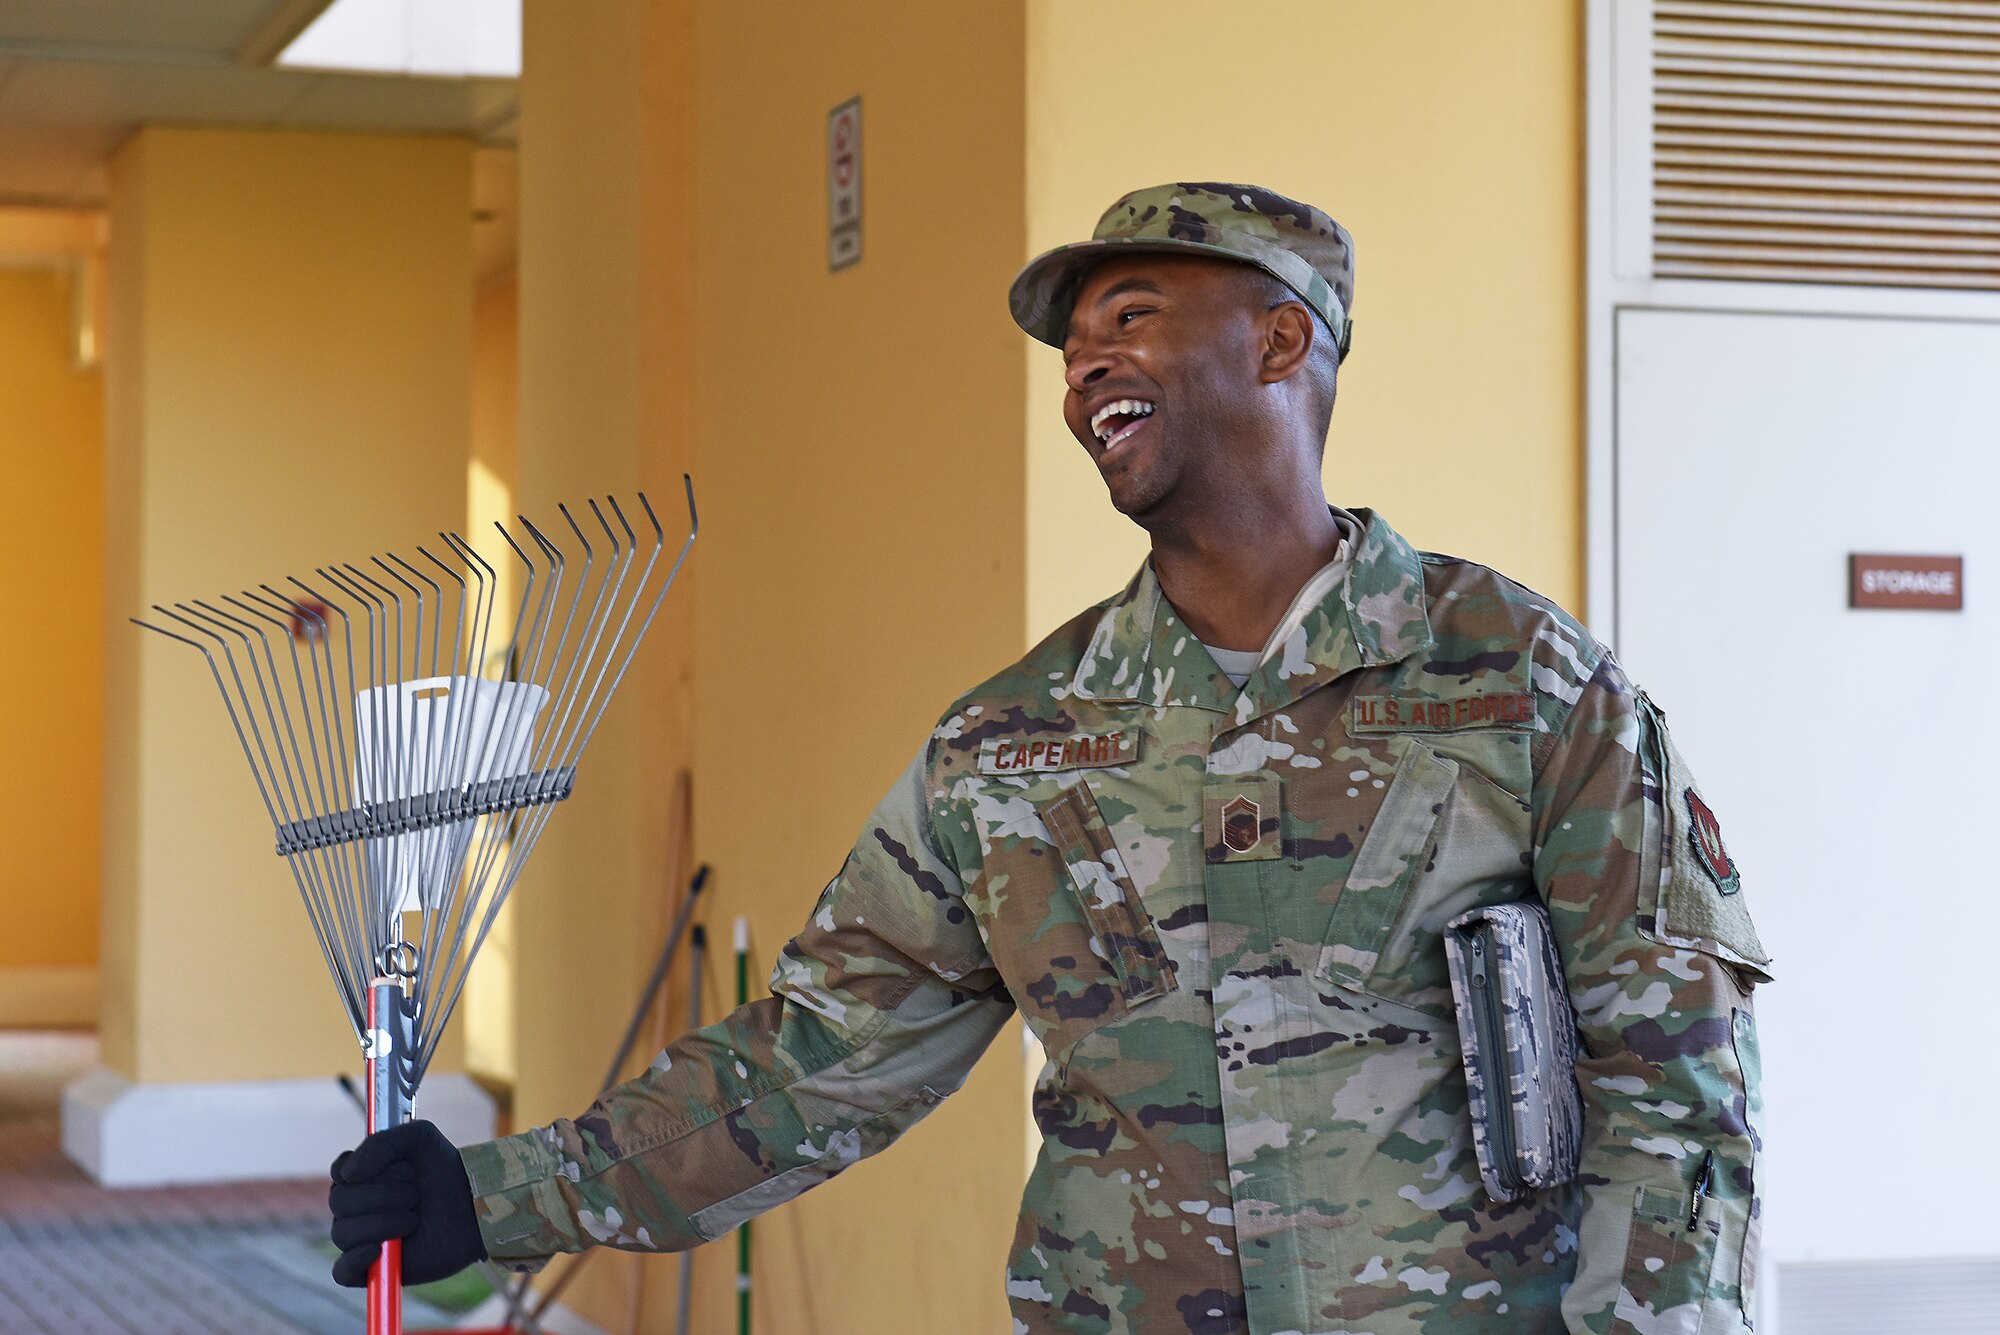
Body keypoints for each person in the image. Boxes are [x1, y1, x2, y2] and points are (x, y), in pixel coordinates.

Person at [330, 182, 1772, 1335]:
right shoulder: (1012, 741)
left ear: (1282, 341)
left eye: (1132, 316)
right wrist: (500, 1195)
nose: (1085, 365)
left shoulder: (1518, 680)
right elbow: (820, 1063)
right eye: (1075, 345)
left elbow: (1676, 1080)